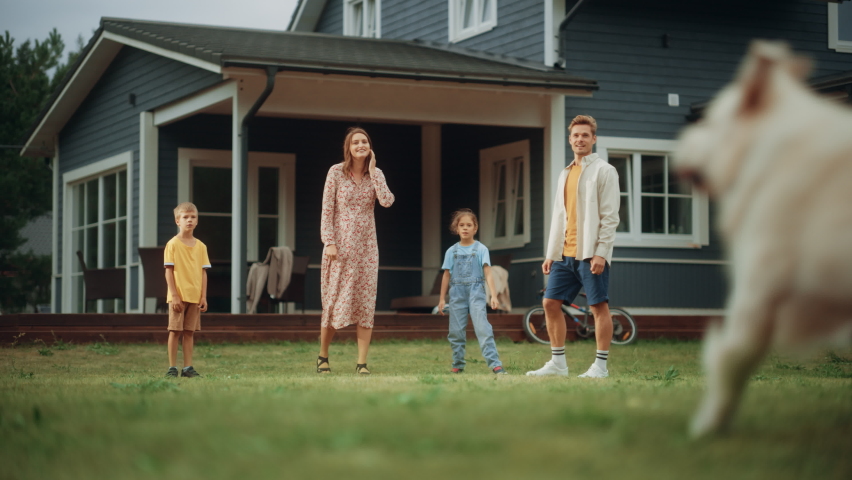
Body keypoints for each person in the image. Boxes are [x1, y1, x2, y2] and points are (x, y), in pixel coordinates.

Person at [526, 115, 620, 378]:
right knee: (549, 303)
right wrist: (550, 253)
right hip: (564, 255)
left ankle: (600, 367)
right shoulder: (565, 173)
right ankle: (558, 364)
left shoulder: (605, 170)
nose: (580, 139)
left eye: (585, 135)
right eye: (576, 135)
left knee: (598, 307)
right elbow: (559, 215)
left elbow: (611, 218)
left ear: (594, 139)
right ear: (570, 140)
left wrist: (602, 252)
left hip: (590, 255)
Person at [317, 127, 395, 375]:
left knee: (365, 305)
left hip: (367, 250)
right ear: (348, 148)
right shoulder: (336, 173)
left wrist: (373, 172)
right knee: (332, 303)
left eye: (364, 141)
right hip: (339, 250)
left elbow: (387, 201)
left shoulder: (377, 174)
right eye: (355, 142)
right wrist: (329, 242)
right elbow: (327, 210)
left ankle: (361, 363)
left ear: (369, 146)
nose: (360, 145)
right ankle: (323, 356)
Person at [437, 209, 506, 375]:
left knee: (482, 328)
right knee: (455, 331)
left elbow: (488, 273)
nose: (465, 228)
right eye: (462, 225)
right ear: (457, 229)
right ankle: (458, 364)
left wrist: (494, 295)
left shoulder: (481, 249)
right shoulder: (451, 251)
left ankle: (495, 364)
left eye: (469, 225)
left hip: (476, 292)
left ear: (475, 228)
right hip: (457, 293)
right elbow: (446, 275)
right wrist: (441, 299)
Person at [164, 202, 210, 378]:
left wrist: (203, 296)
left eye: (193, 217)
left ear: (197, 221)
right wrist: (174, 295)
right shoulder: (173, 244)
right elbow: (168, 272)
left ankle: (188, 368)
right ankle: (172, 368)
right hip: (178, 296)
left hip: (195, 296)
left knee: (189, 332)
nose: (189, 220)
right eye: (185, 217)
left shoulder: (201, 247)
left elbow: (203, 273)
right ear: (178, 221)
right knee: (175, 331)